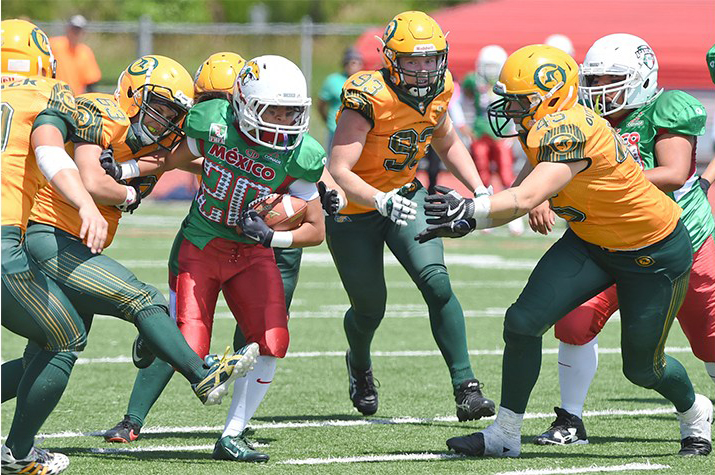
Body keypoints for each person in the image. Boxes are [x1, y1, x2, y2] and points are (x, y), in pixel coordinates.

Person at [418, 44, 712, 458]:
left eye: (520, 102)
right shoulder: (545, 124)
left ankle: (695, 411)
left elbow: (525, 197)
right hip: (592, 241)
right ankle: (505, 434)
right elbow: (521, 192)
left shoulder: (571, 128)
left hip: (653, 251)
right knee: (522, 321)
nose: (511, 110)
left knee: (643, 368)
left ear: (550, 96)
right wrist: (470, 219)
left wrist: (472, 208)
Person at [13, 52, 258, 439]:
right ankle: (202, 374)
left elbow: (214, 159)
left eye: (172, 113)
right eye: (158, 107)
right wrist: (128, 190)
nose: (165, 119)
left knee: (47, 355)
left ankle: (17, 447)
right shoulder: (104, 113)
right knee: (145, 300)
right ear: (132, 95)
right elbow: (93, 180)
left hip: (77, 245)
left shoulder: (158, 147)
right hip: (48, 236)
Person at [105, 55, 328, 463]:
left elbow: (316, 229)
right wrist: (126, 170)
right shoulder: (213, 122)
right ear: (243, 102)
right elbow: (171, 159)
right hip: (203, 244)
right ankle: (158, 343)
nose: (282, 121)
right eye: (272, 109)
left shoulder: (302, 154)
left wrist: (273, 236)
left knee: (273, 342)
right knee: (189, 351)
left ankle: (232, 434)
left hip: (252, 253)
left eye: (291, 111)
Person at [529, 34, 715, 450]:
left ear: (642, 79)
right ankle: (571, 418)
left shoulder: (665, 110)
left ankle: (695, 411)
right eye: (594, 80)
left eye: (612, 79)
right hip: (608, 242)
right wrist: (540, 189)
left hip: (681, 244)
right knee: (575, 320)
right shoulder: (582, 117)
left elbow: (673, 171)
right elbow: (547, 159)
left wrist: (595, 180)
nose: (600, 90)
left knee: (709, 341)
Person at [327, 11, 495, 422]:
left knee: (437, 284)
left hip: (405, 196)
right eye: (413, 61)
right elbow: (339, 170)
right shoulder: (368, 95)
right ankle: (360, 364)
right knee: (370, 309)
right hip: (355, 208)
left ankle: (466, 387)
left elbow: (447, 139)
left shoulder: (441, 88)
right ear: (389, 58)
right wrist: (378, 199)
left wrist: (480, 188)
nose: (423, 70)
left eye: (430, 59)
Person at [0, 19, 107, 475]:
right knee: (64, 336)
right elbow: (47, 150)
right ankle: (18, 454)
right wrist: (85, 202)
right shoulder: (46, 93)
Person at [461, 45, 523, 235]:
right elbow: (462, 101)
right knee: (482, 176)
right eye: (487, 66)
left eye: (493, 66)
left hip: (502, 131)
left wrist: (514, 129)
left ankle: (515, 216)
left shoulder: (508, 80)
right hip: (481, 132)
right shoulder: (473, 80)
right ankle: (483, 214)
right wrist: (465, 125)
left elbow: (517, 105)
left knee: (506, 173)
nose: (490, 70)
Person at [318, 47, 364, 150]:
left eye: (358, 62)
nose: (354, 66)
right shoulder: (333, 80)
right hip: (335, 130)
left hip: (358, 131)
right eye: (351, 62)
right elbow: (321, 104)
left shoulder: (365, 83)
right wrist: (328, 120)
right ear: (345, 64)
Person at [50, 15, 101, 94]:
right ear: (67, 29)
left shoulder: (85, 52)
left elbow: (91, 83)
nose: (75, 33)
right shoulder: (54, 45)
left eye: (78, 31)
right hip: (54, 95)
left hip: (74, 98)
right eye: (73, 29)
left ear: (83, 33)